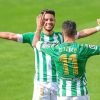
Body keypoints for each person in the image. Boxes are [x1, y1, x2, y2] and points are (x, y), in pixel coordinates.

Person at [0, 9, 100, 100]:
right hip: (41, 84)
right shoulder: (33, 36)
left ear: (55, 21)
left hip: (59, 84)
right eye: (45, 20)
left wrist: (97, 28)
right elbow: (11, 36)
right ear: (41, 21)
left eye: (51, 20)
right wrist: (38, 29)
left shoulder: (62, 36)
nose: (48, 22)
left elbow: (81, 33)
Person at [36, 20, 100, 100]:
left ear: (62, 33)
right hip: (81, 93)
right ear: (76, 33)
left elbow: (36, 43)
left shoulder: (55, 49)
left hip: (63, 94)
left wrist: (38, 28)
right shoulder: (83, 48)